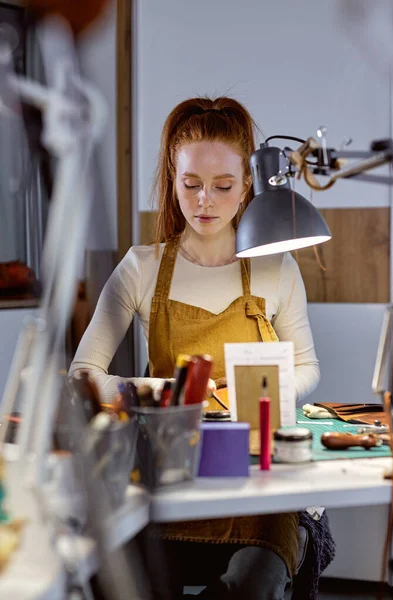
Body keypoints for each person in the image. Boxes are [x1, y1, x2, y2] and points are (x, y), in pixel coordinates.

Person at [69, 96, 321, 599]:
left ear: (248, 183)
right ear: (173, 177)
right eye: (191, 184)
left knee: (253, 582)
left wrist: (250, 391)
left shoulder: (275, 267)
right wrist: (168, 395)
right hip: (169, 473)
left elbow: (308, 368)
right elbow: (83, 371)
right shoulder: (141, 268)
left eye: (223, 186)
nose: (205, 199)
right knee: (119, 574)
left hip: (256, 480)